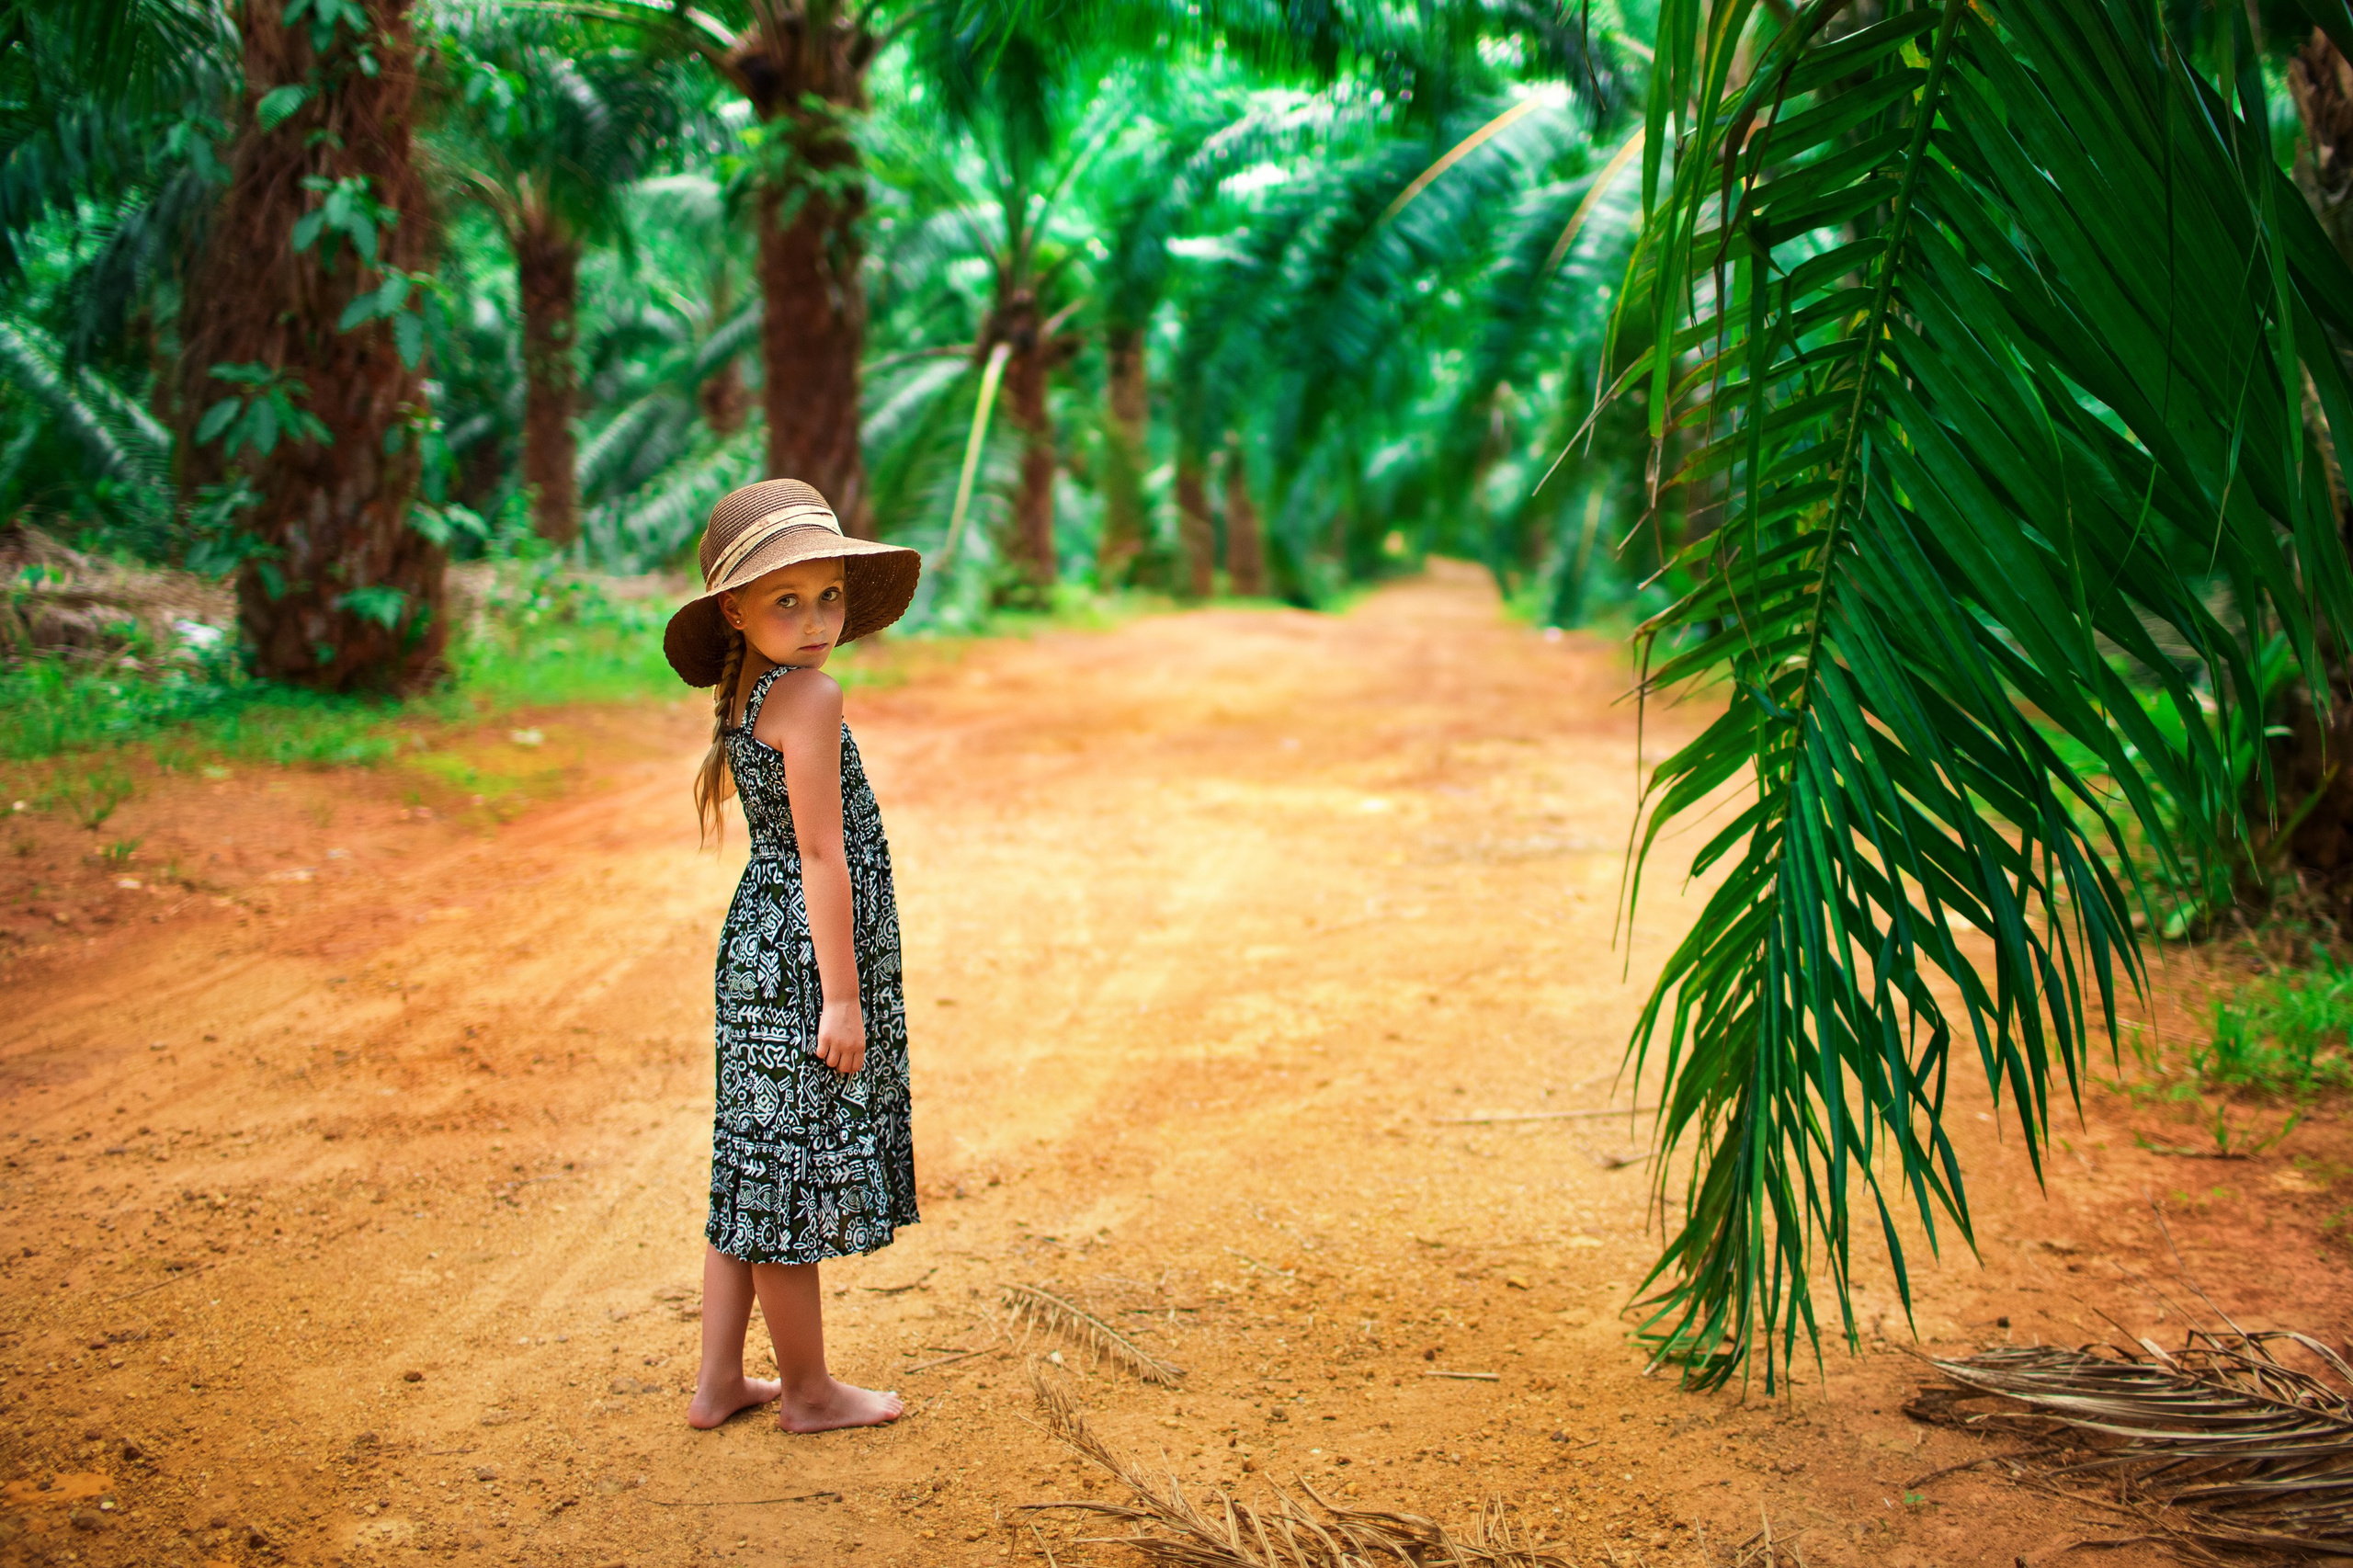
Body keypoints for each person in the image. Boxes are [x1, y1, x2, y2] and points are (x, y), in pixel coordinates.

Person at [661, 478, 924, 1433]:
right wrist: (842, 999)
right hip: (802, 959)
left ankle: (718, 1379)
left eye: (829, 597)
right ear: (735, 608)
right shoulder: (809, 693)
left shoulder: (748, 684)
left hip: (756, 942)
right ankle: (808, 1390)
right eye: (787, 600)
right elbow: (822, 850)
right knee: (790, 1176)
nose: (816, 622)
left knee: (754, 1162)